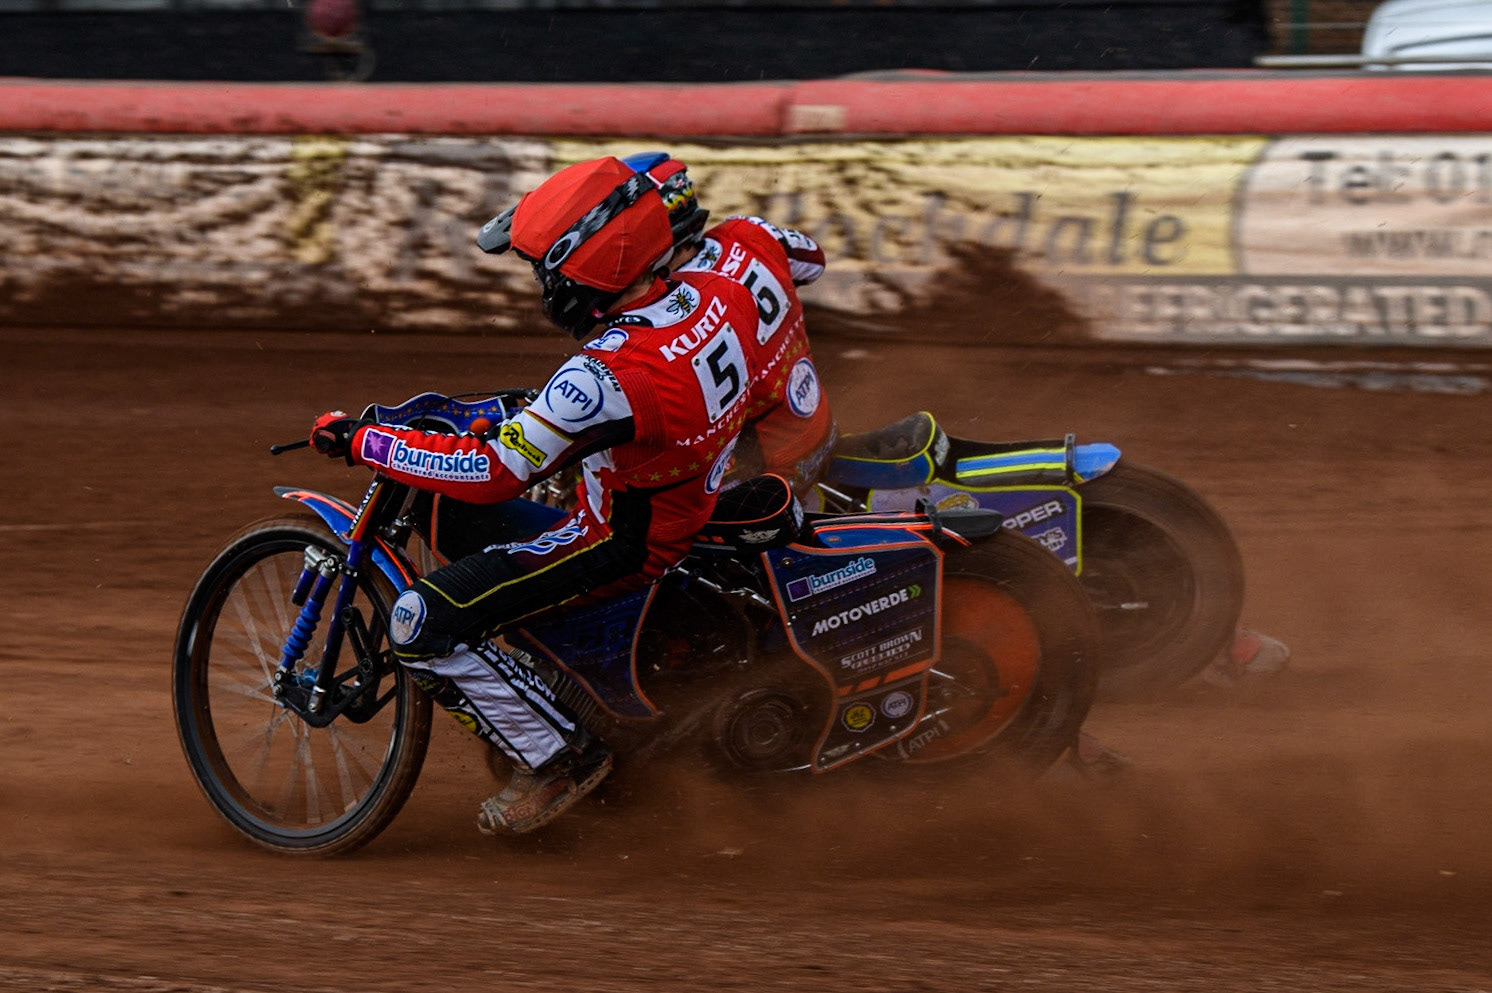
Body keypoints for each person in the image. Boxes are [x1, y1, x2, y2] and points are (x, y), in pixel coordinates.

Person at [624, 152, 1289, 759]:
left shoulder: (679, 305)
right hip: (807, 441)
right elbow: (811, 258)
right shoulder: (741, 246)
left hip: (773, 476)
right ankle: (1213, 647)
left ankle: (1065, 744)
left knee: (851, 619)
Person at [308, 156, 768, 835]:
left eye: (542, 270)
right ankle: (552, 685)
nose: (540, 285)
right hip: (684, 496)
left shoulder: (608, 369)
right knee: (453, 517)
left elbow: (495, 471)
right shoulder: (710, 294)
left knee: (418, 621)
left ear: (582, 268)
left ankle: (560, 758)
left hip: (617, 542)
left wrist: (364, 443)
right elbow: (578, 412)